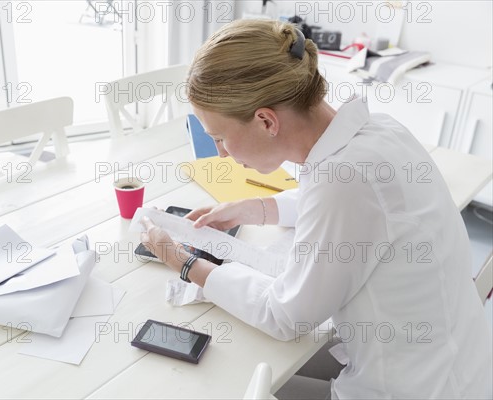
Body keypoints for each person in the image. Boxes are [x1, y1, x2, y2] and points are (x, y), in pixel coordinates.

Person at [140, 19, 492, 399]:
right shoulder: (379, 132)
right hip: (459, 364)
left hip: (413, 389)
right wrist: (255, 208)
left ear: (265, 120)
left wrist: (184, 262)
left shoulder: (342, 180)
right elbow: (352, 205)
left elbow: (285, 316)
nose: (221, 152)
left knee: (221, 383)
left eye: (220, 137)